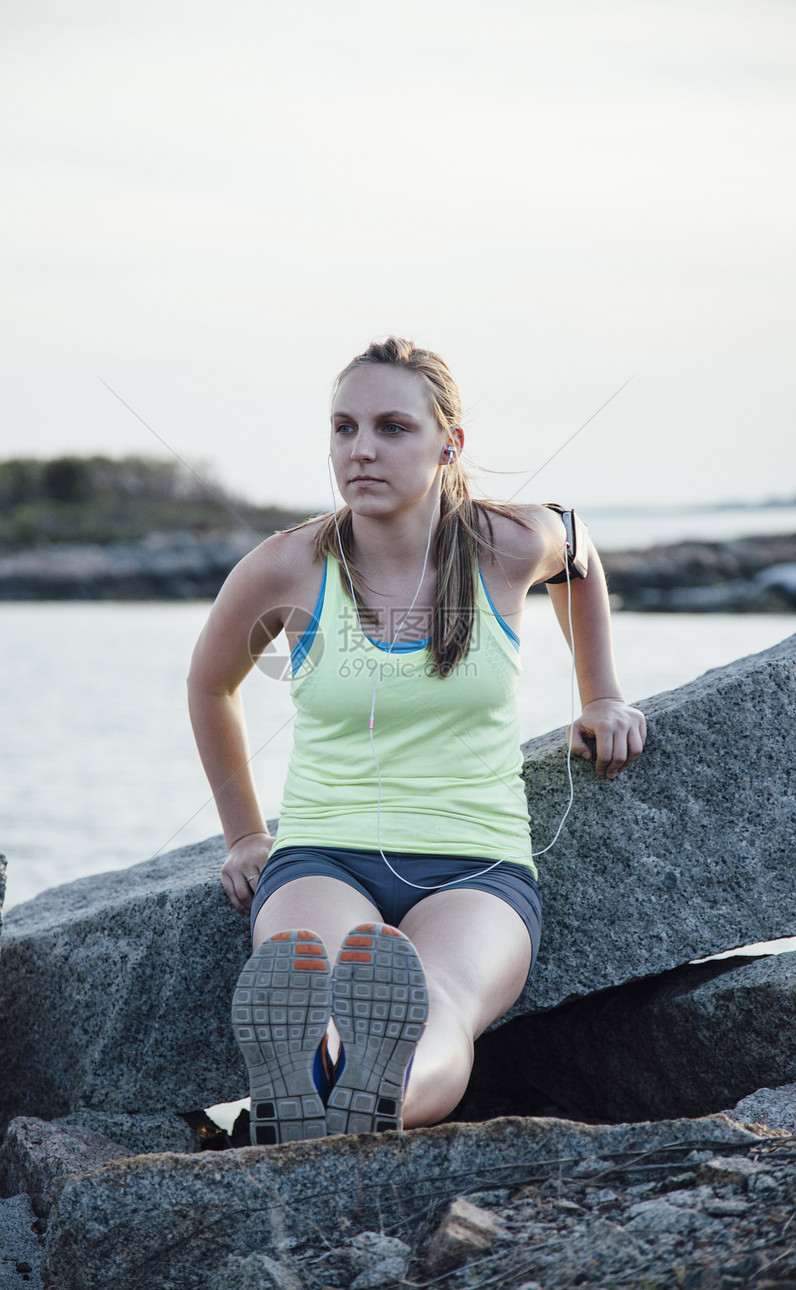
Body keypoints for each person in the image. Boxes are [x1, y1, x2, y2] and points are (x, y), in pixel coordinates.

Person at [188, 337, 647, 1146]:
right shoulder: (289, 565)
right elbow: (209, 684)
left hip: (477, 866)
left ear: (449, 444)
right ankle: (319, 1084)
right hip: (325, 854)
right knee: (317, 981)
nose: (361, 449)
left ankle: (358, 1097)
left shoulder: (503, 546)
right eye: (344, 427)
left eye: (392, 427)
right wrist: (245, 835)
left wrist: (602, 693)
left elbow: (577, 547)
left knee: (438, 1001)